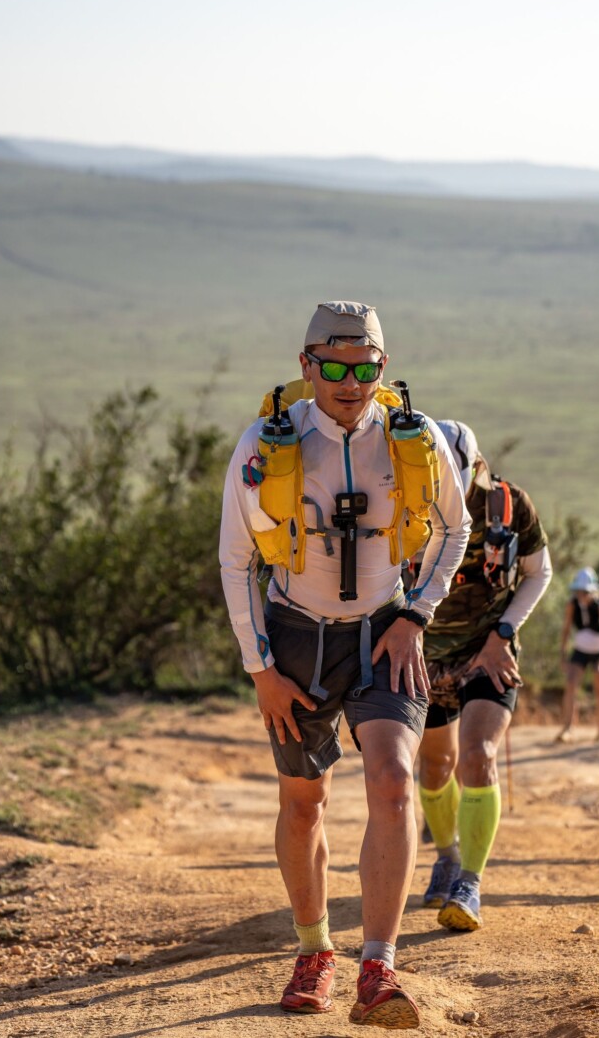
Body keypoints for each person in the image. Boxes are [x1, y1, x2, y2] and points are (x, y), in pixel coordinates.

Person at [219, 302, 470, 1028]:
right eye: (332, 367)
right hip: (296, 640)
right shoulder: (268, 443)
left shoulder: (414, 442)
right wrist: (260, 668)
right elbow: (235, 562)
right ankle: (313, 949)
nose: (349, 382)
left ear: (382, 369)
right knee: (305, 802)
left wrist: (417, 616)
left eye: (363, 368)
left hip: (386, 632)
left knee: (394, 783)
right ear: (306, 367)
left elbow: (454, 530)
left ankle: (379, 964)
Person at [417, 437, 552, 932]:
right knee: (435, 766)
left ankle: (469, 882)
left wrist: (502, 635)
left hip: (488, 655)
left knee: (478, 754)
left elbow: (540, 573)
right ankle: (447, 857)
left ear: (475, 467)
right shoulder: (408, 502)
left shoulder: (510, 507)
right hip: (423, 657)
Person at [555, 567, 599, 744]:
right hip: (580, 650)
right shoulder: (572, 605)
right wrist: (563, 654)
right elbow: (566, 630)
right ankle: (567, 728)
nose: (582, 595)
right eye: (579, 591)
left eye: (585, 591)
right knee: (571, 684)